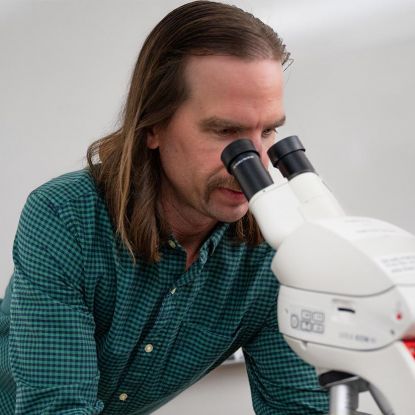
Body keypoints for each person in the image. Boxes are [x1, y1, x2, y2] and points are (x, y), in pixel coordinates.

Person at [0, 1, 329, 414]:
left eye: (268, 131)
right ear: (153, 126)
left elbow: (300, 408)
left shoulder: (275, 252)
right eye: (225, 130)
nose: (257, 162)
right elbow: (57, 408)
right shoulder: (66, 217)